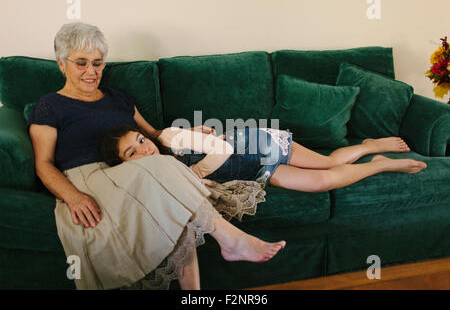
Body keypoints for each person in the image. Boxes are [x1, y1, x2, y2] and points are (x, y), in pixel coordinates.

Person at [27, 22, 286, 290]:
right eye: (81, 63)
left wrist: (191, 133)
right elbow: (43, 164)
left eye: (97, 63)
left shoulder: (119, 98)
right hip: (88, 180)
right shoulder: (50, 106)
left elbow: (152, 133)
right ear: (61, 64)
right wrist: (73, 197)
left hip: (132, 171)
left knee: (173, 199)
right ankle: (231, 240)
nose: (91, 72)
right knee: (164, 171)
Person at [98, 123, 428, 193]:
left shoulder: (170, 138)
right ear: (124, 165)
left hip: (259, 145)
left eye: (141, 140)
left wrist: (195, 174)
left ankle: (370, 147)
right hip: (254, 170)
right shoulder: (150, 175)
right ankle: (377, 165)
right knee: (322, 183)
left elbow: (223, 149)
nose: (145, 149)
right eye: (132, 151)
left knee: (328, 163)